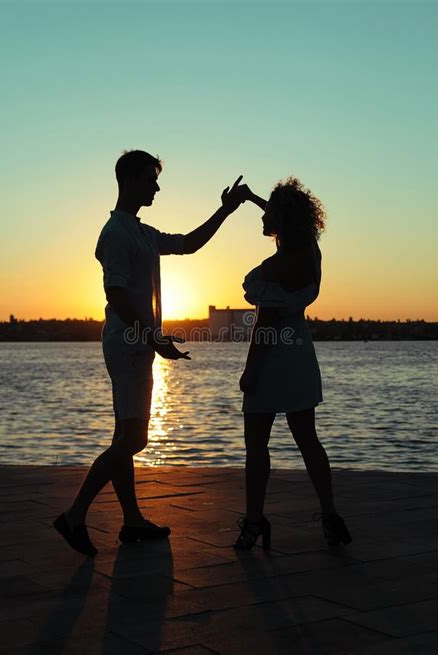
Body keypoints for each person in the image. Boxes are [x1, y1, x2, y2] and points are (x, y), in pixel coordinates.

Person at [54, 149, 248, 556]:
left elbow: (187, 244)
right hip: (128, 345)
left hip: (136, 344)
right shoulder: (116, 234)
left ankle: (131, 522)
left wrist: (225, 211)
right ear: (128, 181)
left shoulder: (141, 233)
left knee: (123, 436)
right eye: (149, 179)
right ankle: (74, 515)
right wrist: (153, 338)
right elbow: (117, 295)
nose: (156, 187)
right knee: (136, 439)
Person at [233, 177, 352, 550]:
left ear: (280, 221)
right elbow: (280, 217)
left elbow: (266, 325)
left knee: (257, 445)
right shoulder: (310, 252)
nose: (262, 217)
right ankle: (330, 515)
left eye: (269, 212)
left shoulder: (275, 267)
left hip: (273, 357)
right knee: (308, 441)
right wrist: (250, 197)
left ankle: (254, 522)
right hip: (300, 352)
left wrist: (250, 372)